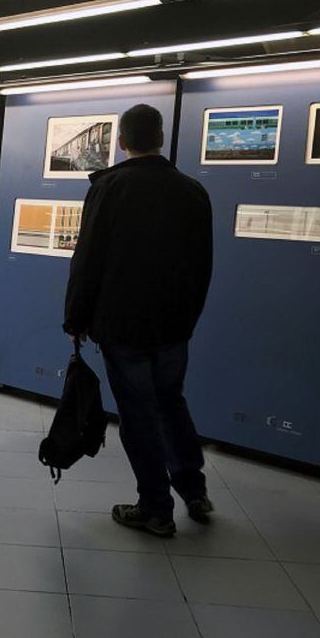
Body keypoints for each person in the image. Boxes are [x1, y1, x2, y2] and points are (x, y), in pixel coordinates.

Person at [64, 104, 214, 537]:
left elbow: (88, 259)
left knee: (138, 413)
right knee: (171, 401)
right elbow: (202, 264)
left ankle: (155, 508)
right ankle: (194, 490)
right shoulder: (192, 191)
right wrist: (189, 317)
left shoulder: (110, 188)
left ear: (123, 141)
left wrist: (76, 317)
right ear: (161, 138)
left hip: (123, 324)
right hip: (174, 326)